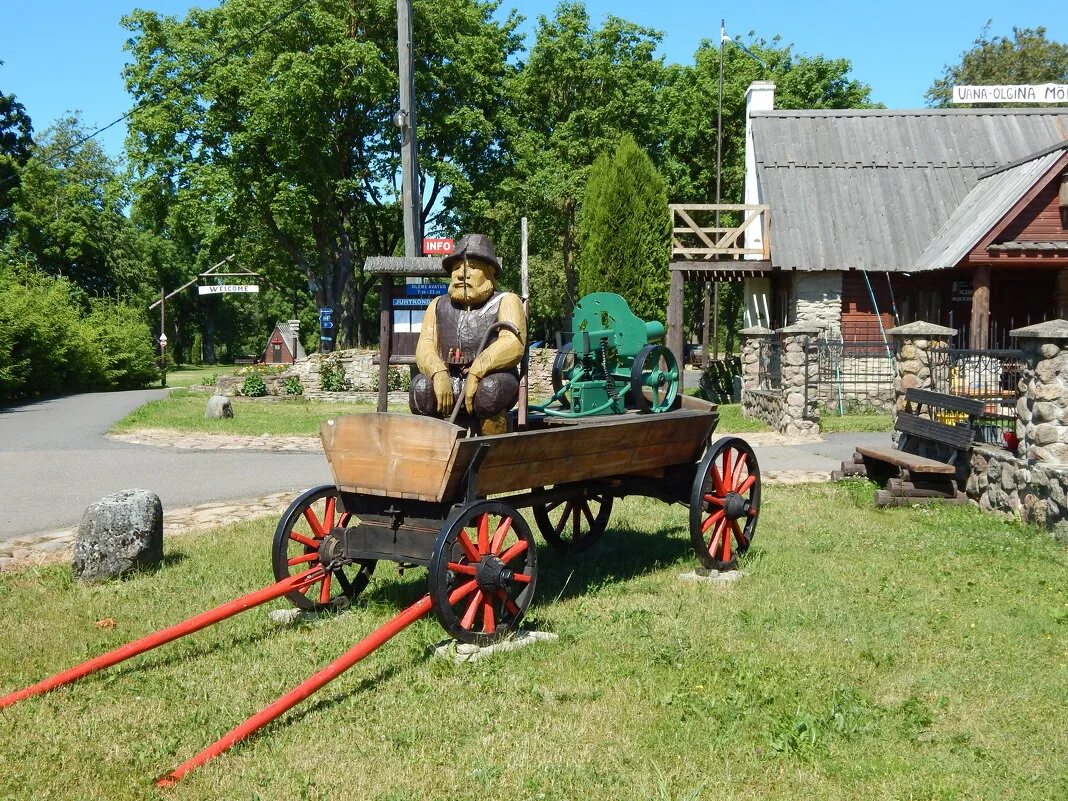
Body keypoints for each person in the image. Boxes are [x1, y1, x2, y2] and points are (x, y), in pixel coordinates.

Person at [409, 233, 526, 435]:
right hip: (448, 378)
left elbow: (513, 344)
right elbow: (425, 346)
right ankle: (432, 450)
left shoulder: (507, 301)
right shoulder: (437, 305)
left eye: (472, 266)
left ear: (490, 271)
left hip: (490, 379)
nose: (462, 274)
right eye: (456, 268)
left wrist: (477, 371)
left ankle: (492, 454)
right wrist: (438, 372)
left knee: (490, 391)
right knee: (420, 388)